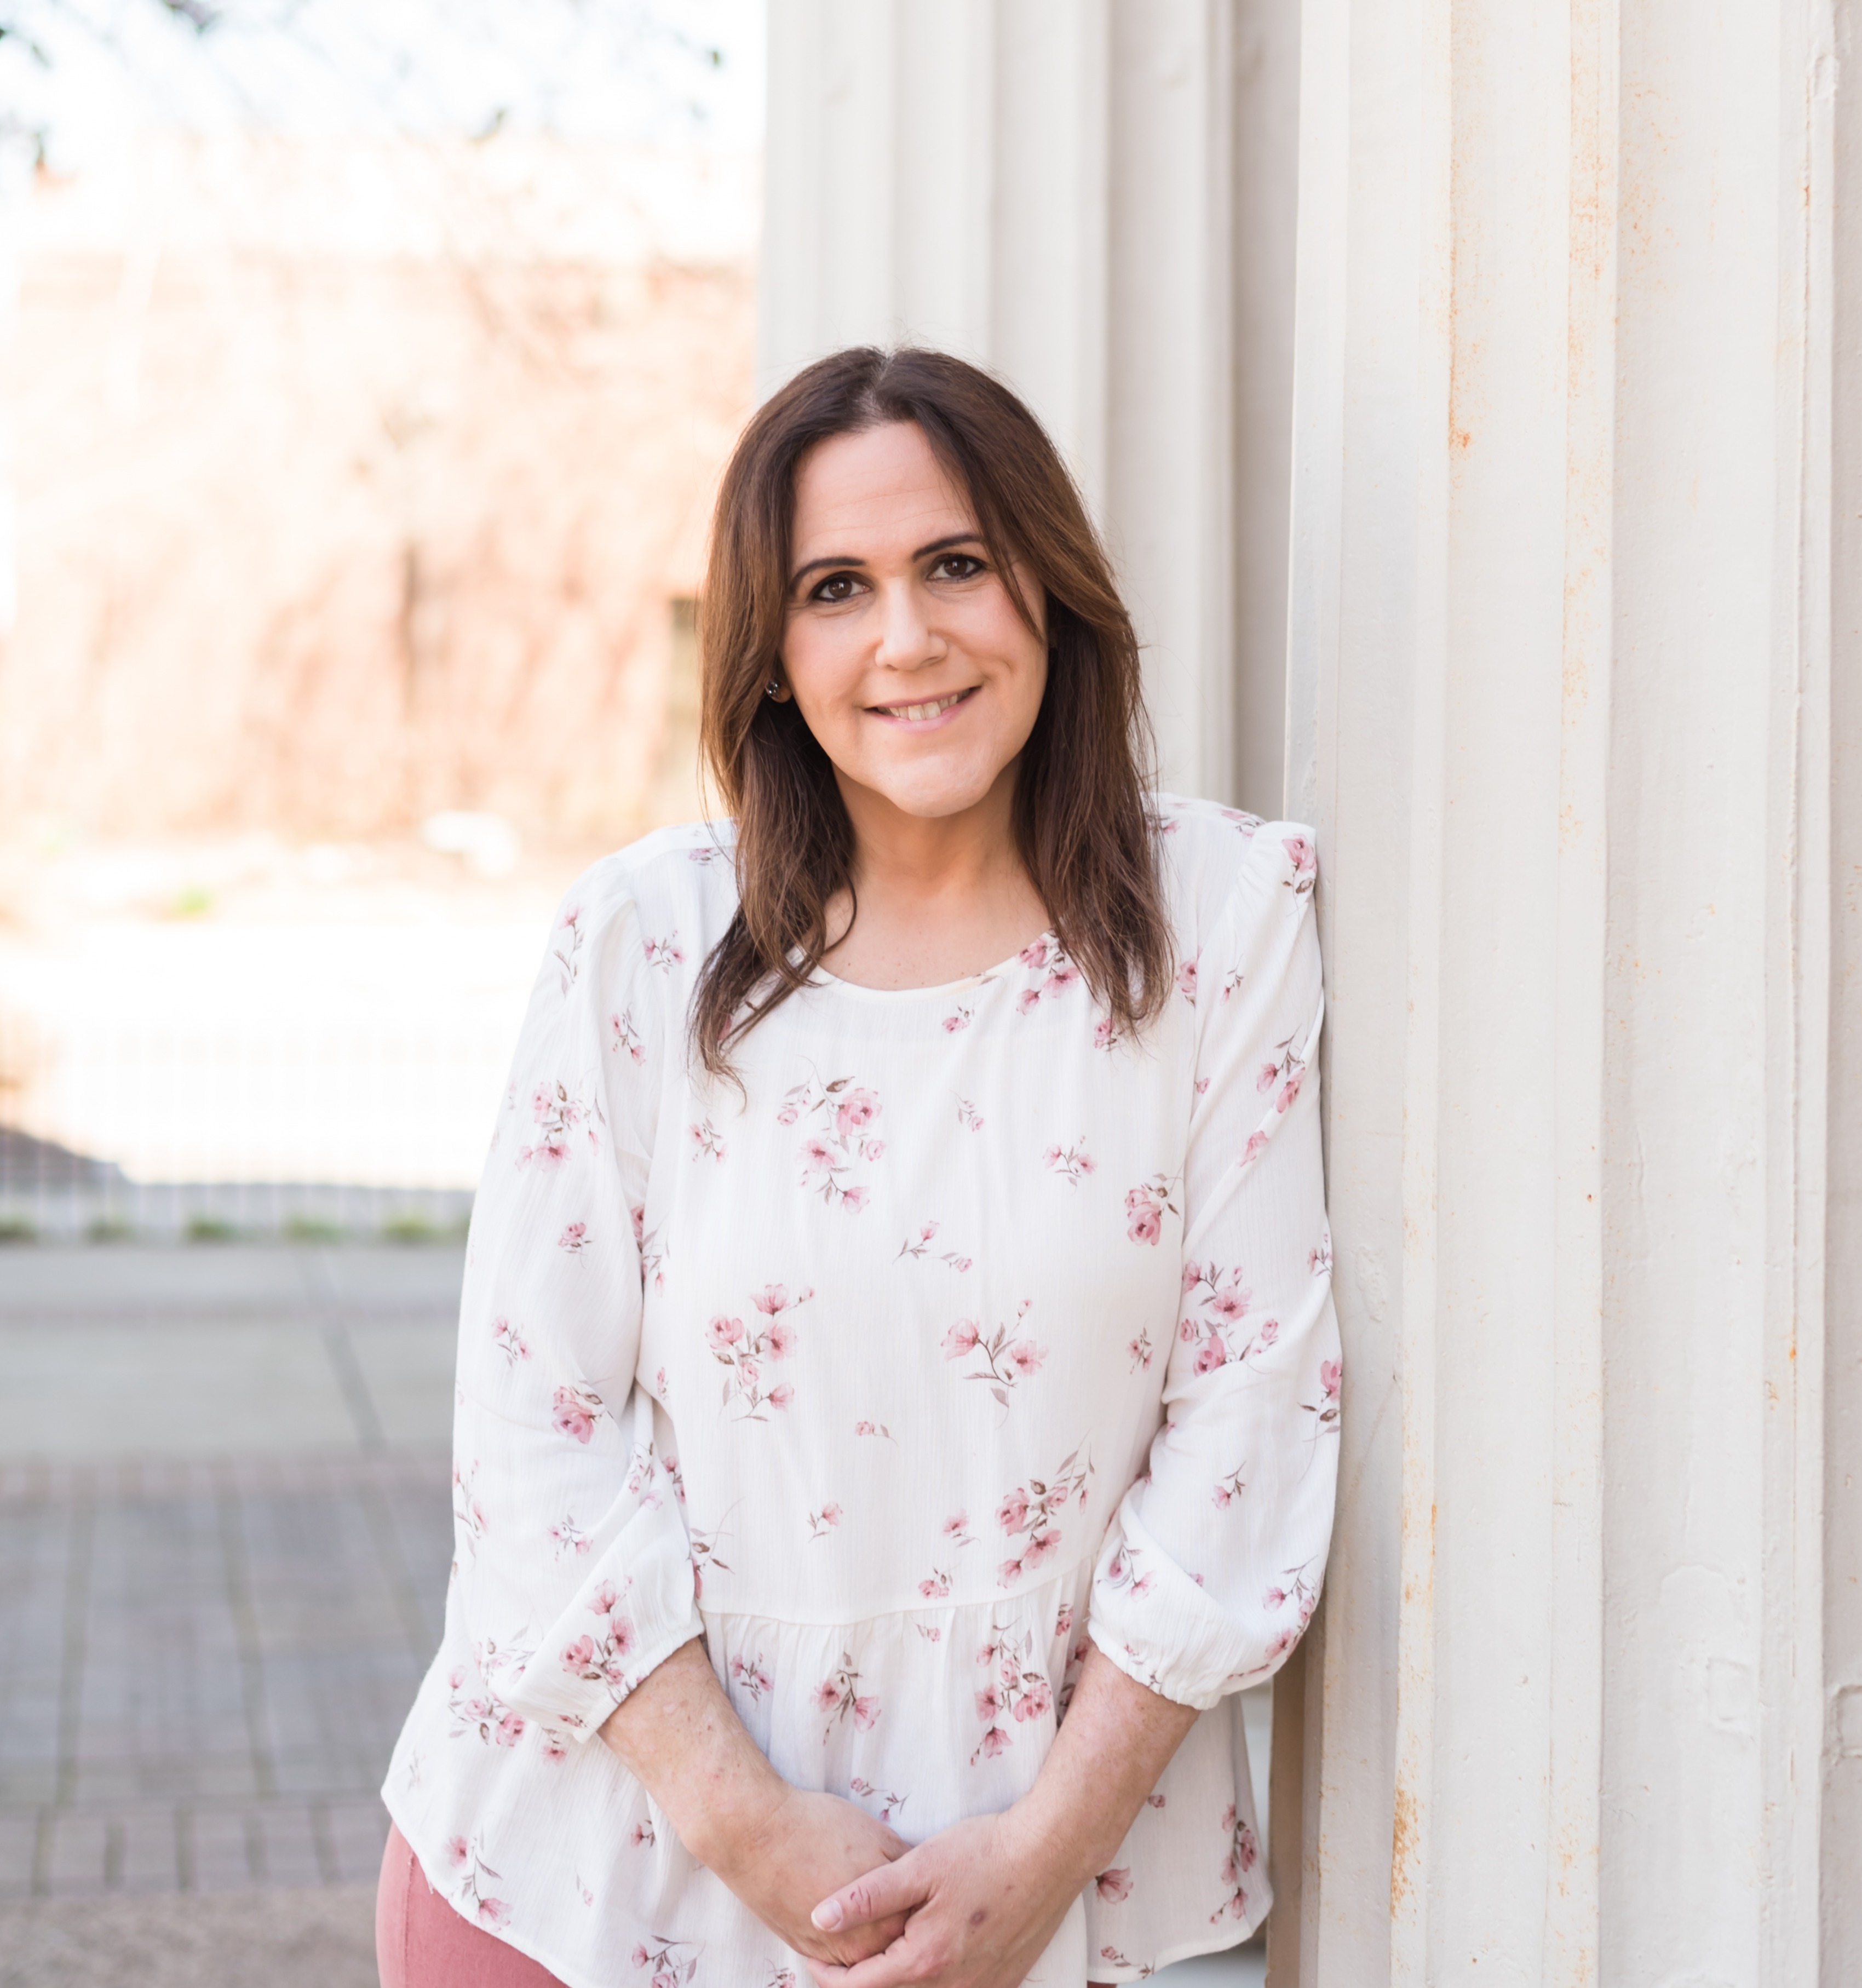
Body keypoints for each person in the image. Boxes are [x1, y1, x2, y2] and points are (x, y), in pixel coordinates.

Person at [376, 346, 1340, 1988]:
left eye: (956, 563)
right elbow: (533, 1439)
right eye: (837, 588)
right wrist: (754, 1832)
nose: (908, 638)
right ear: (771, 654)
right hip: (594, 1877)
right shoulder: (645, 942)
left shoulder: (1221, 929)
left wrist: (1043, 1861)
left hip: (1062, 1894)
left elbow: (1251, 1422)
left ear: (1050, 583)